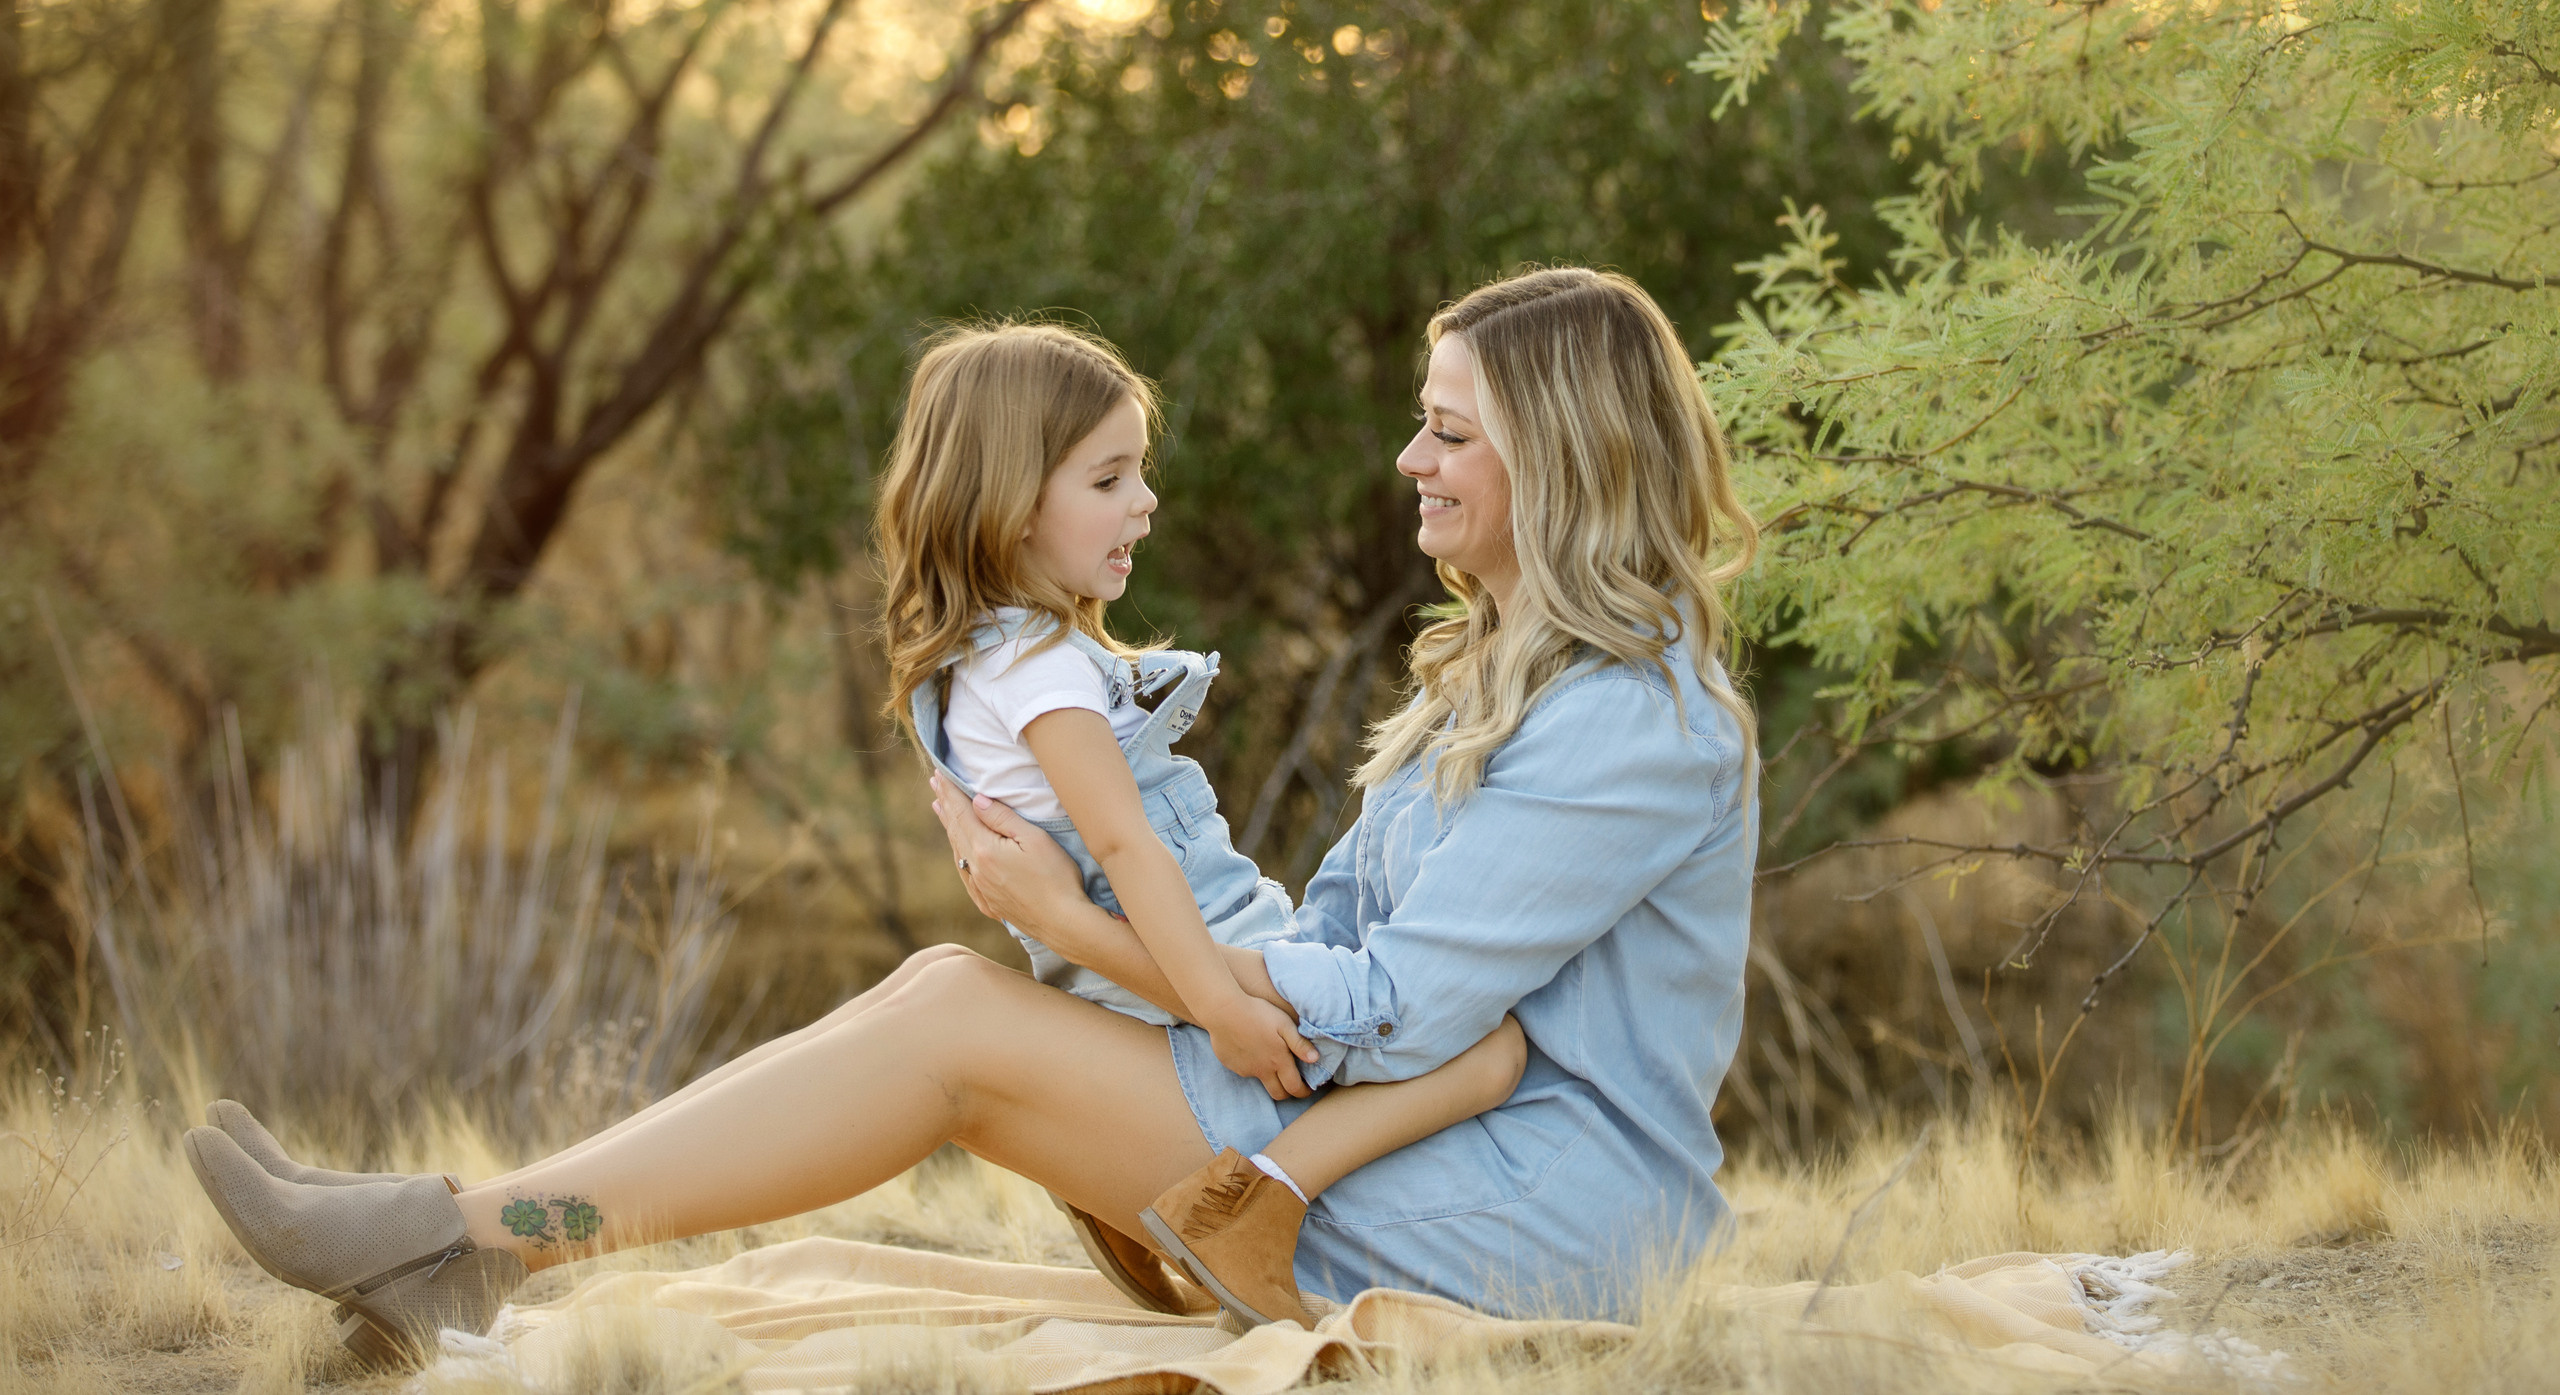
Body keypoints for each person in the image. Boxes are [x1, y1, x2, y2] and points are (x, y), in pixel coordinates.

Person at [179, 267, 1758, 1368]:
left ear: (1566, 457)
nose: (1411, 455)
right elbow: (1335, 942)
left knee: (955, 1027)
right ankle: (457, 1231)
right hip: (1430, 1142)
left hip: (1539, 1211)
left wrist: (1081, 926)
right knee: (947, 989)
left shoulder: (1635, 719)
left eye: (1451, 431)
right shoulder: (1503, 675)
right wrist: (1128, 941)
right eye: (1426, 419)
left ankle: (461, 1236)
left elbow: (1396, 1014)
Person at [875, 321, 1527, 1325]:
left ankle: (1110, 1166)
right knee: (1492, 1048)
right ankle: (1253, 1205)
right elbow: (1126, 844)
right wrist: (1223, 1010)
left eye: (1138, 473)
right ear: (1010, 506)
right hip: (1199, 968)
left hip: (1135, 979)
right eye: (1108, 480)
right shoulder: (1045, 673)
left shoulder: (975, 663)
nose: (1144, 501)